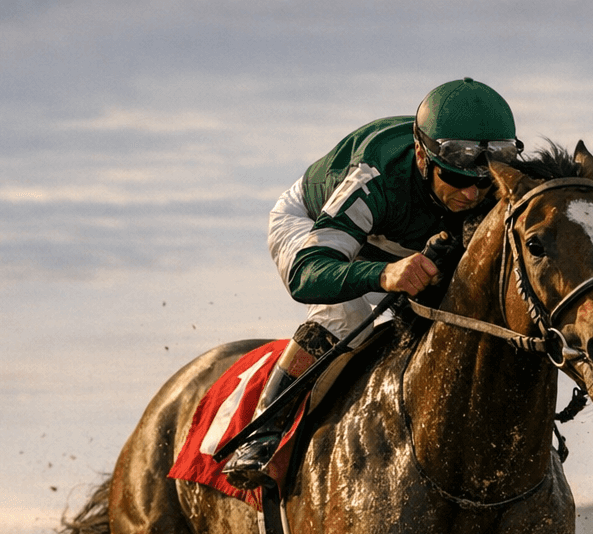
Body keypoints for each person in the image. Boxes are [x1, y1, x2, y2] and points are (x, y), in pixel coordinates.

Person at [222, 77, 521, 489]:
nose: (472, 194)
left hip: (398, 242)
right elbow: (307, 275)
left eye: (483, 181)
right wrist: (383, 274)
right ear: (421, 155)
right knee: (345, 313)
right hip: (313, 225)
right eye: (456, 179)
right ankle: (264, 432)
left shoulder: (489, 182)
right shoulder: (373, 176)